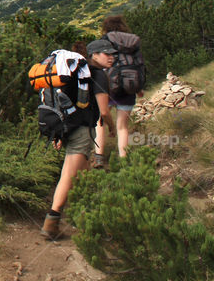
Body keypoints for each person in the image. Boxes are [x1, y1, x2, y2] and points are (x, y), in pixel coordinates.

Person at [41, 44, 115, 240]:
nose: (111, 57)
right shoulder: (97, 75)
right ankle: (51, 222)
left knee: (82, 176)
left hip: (67, 128)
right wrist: (112, 127)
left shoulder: (74, 72)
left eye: (113, 54)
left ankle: (89, 222)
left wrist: (58, 134)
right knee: (69, 174)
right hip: (82, 131)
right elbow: (104, 111)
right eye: (106, 54)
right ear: (94, 55)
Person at [94, 15, 145, 164]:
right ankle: (124, 159)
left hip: (108, 86)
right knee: (122, 126)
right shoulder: (133, 42)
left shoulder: (104, 41)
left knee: (100, 122)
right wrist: (139, 88)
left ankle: (99, 157)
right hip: (129, 87)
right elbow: (140, 65)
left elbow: (99, 65)